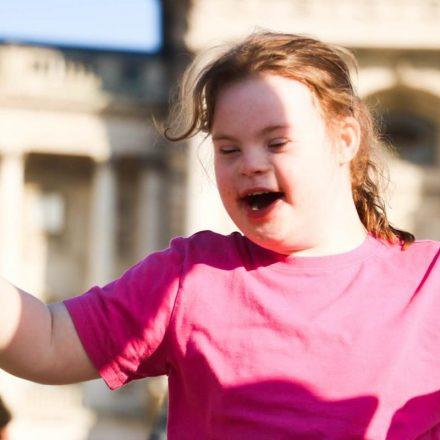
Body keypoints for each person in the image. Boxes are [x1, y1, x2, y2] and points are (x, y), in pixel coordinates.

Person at [0, 31, 439, 439]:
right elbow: (49, 339)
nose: (249, 163)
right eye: (228, 149)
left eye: (277, 142)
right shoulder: (192, 277)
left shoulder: (429, 281)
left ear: (345, 140)